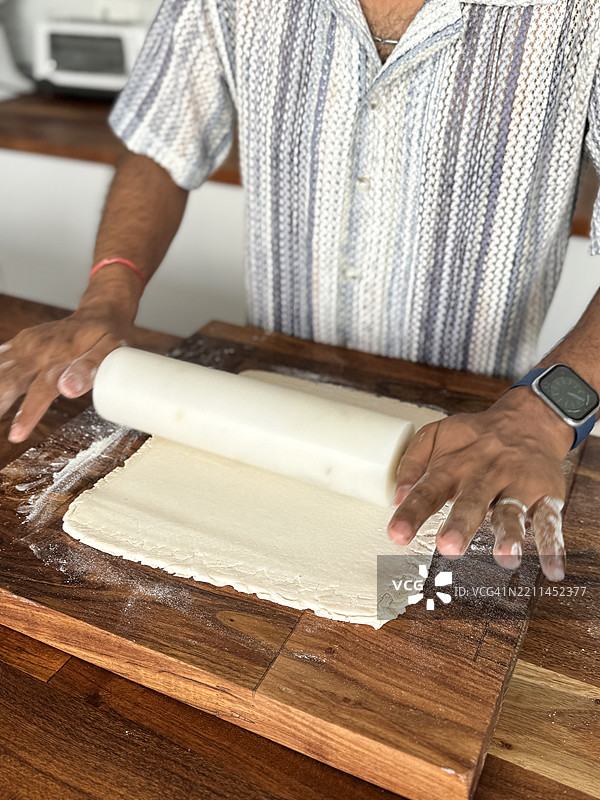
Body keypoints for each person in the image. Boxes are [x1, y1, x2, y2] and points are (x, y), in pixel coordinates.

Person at [1, 0, 599, 582]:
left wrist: (547, 413)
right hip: (275, 366)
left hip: (480, 411)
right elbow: (160, 140)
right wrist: (108, 294)